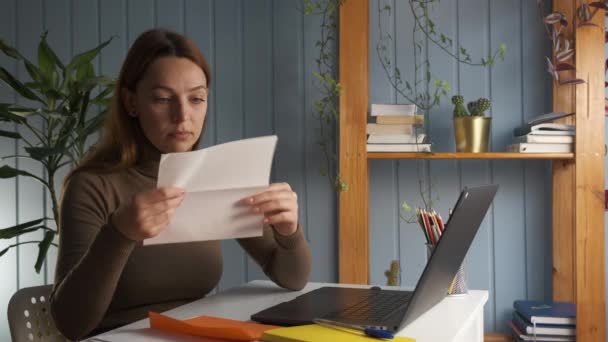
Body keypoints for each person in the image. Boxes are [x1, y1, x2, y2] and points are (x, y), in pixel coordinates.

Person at [50, 29, 312, 340]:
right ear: (131, 102)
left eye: (197, 98)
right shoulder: (92, 186)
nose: (183, 115)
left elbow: (292, 278)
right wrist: (119, 235)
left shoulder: (214, 173)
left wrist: (289, 232)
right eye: (162, 99)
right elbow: (69, 322)